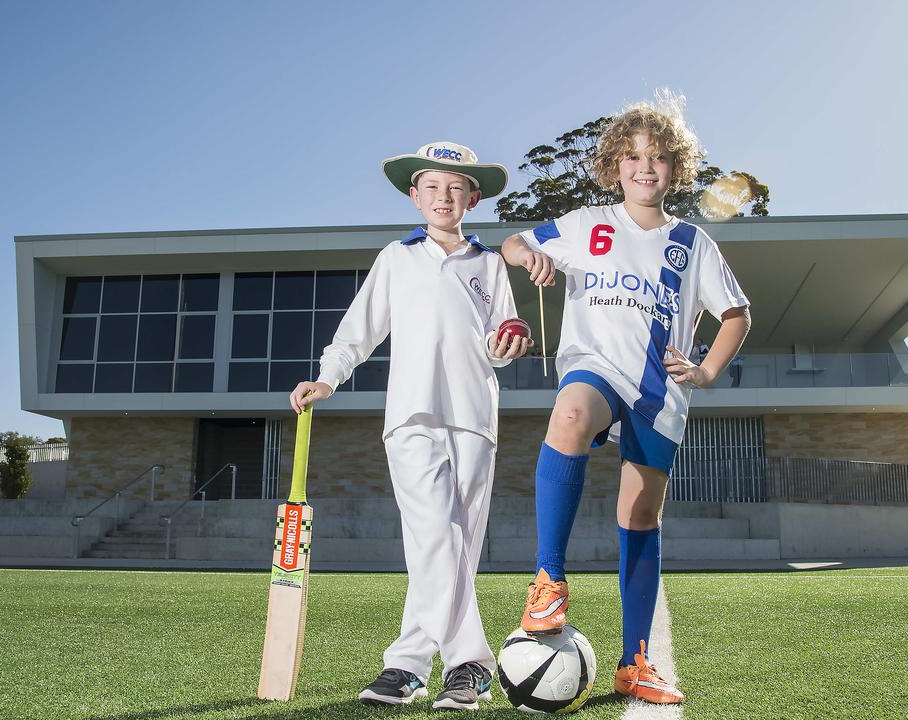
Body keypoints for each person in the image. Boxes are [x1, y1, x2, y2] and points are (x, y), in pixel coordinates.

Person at [499, 94, 751, 705]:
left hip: (660, 392)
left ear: (676, 169)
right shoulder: (587, 225)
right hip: (594, 367)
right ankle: (548, 579)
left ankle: (634, 661)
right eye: (633, 157)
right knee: (570, 412)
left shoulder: (691, 242)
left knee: (640, 518)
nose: (646, 168)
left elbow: (737, 313)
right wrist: (530, 255)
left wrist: (708, 369)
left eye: (659, 158)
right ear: (614, 165)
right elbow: (511, 243)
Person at [290, 141, 529, 711]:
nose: (444, 197)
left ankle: (406, 666)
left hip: (474, 418)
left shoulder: (490, 263)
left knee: (457, 546)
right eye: (432, 187)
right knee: (431, 537)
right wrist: (328, 379)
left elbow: (501, 343)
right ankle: (471, 662)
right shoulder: (396, 257)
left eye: (456, 188)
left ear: (472, 197)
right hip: (411, 417)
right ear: (414, 194)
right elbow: (358, 332)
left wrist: (508, 345)